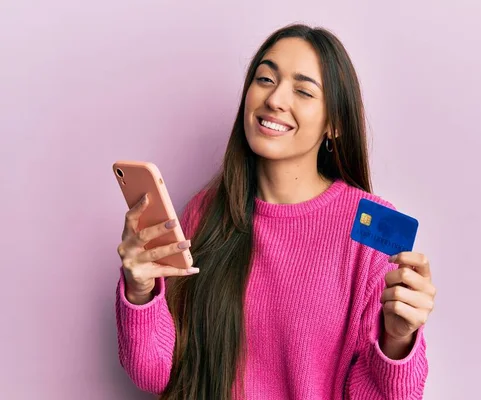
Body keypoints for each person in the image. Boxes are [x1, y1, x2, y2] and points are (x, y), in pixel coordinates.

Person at [115, 23, 436, 400]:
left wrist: (398, 341)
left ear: (335, 123)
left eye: (303, 90)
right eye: (265, 79)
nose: (276, 99)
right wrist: (140, 293)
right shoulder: (206, 213)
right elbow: (154, 373)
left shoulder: (377, 222)